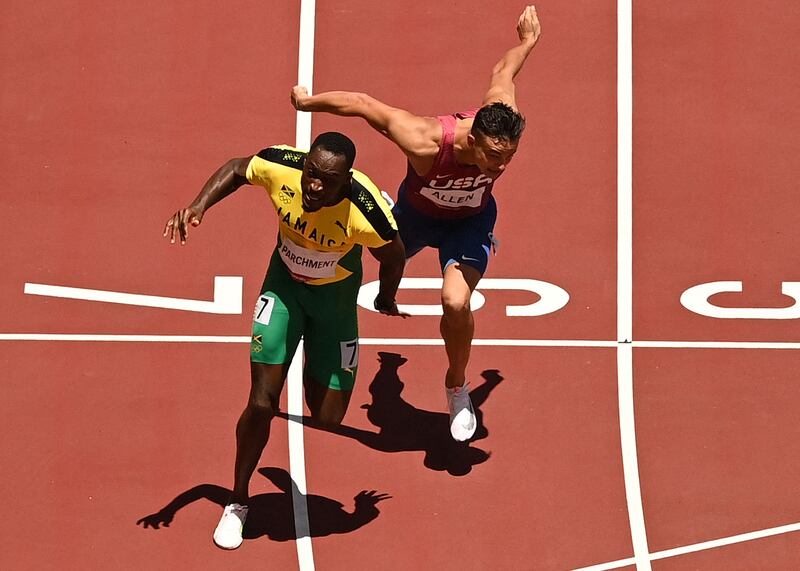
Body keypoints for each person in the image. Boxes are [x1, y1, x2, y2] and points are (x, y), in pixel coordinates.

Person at [290, 6, 541, 442]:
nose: (502, 165)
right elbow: (364, 106)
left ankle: (456, 388)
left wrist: (526, 42)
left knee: (456, 303)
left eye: (510, 157)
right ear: (473, 137)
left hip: (470, 222)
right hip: (416, 218)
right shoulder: (423, 140)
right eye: (493, 156)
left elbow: (504, 70)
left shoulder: (501, 114)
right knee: (366, 256)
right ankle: (371, 354)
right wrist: (307, 102)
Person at [163, 132, 407, 550]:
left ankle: (317, 351)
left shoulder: (366, 215)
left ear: (345, 181)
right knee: (262, 402)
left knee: (328, 416)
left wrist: (386, 297)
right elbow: (237, 167)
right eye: (311, 174)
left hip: (334, 305)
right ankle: (238, 501)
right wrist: (198, 207)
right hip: (284, 290)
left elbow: (395, 255)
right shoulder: (283, 165)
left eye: (326, 181)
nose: (313, 186)